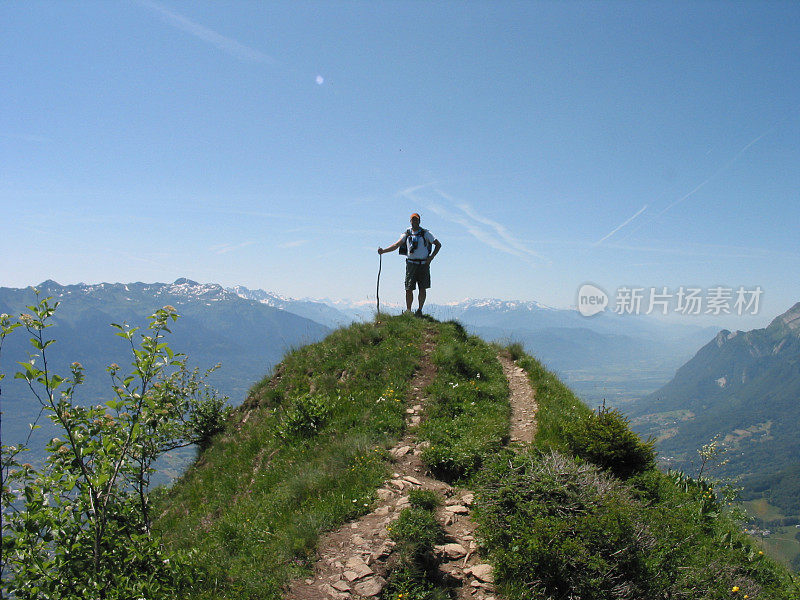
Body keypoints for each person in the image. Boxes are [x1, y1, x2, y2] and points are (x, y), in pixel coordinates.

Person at [378, 212, 442, 315]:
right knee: (409, 288)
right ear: (410, 221)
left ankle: (419, 310)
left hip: (423, 264)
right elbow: (397, 245)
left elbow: (438, 244)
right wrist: (384, 251)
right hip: (411, 264)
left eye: (416, 220)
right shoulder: (407, 233)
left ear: (419, 221)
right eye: (413, 220)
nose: (414, 222)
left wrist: (431, 258)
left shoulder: (426, 233)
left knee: (422, 287)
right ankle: (409, 310)